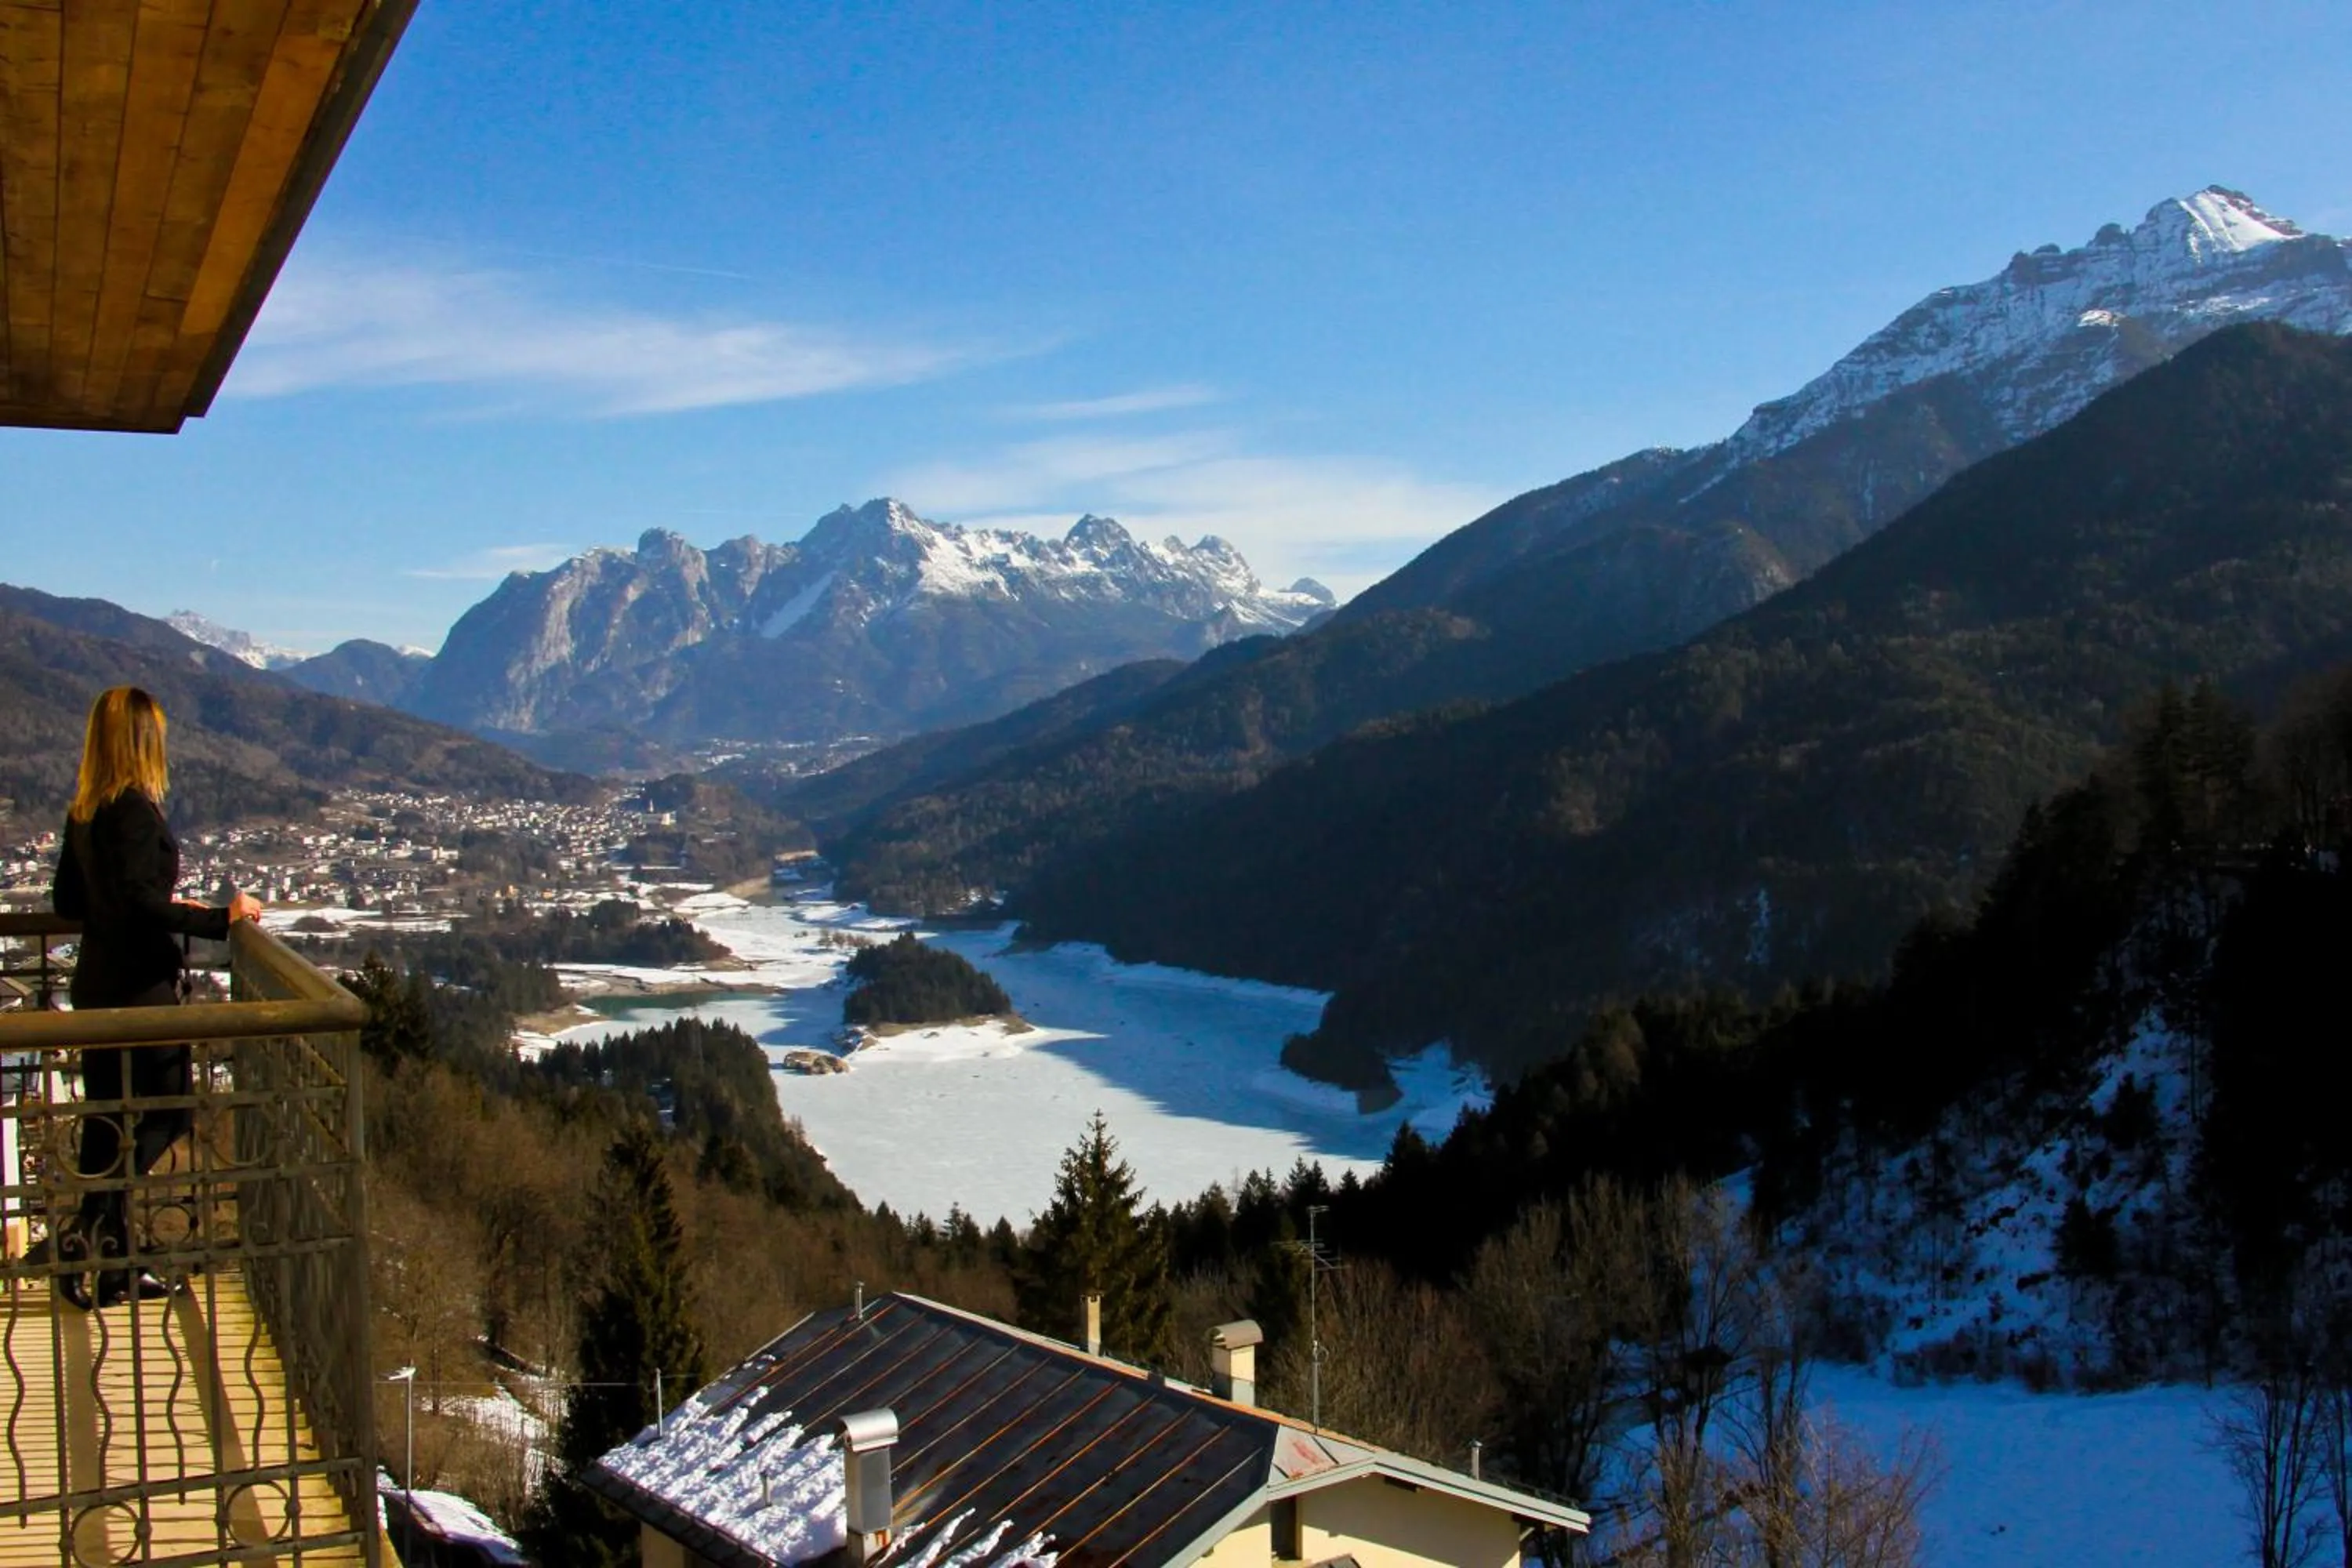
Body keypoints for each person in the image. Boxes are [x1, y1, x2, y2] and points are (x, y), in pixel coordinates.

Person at [48, 687, 263, 1308]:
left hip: (95, 989)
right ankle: (91, 1226)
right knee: (170, 1113)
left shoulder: (85, 810)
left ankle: (110, 1262)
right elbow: (142, 905)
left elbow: (69, 903)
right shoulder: (136, 813)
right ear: (145, 741)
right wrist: (222, 918)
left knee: (107, 1119)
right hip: (141, 989)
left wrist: (153, 904)